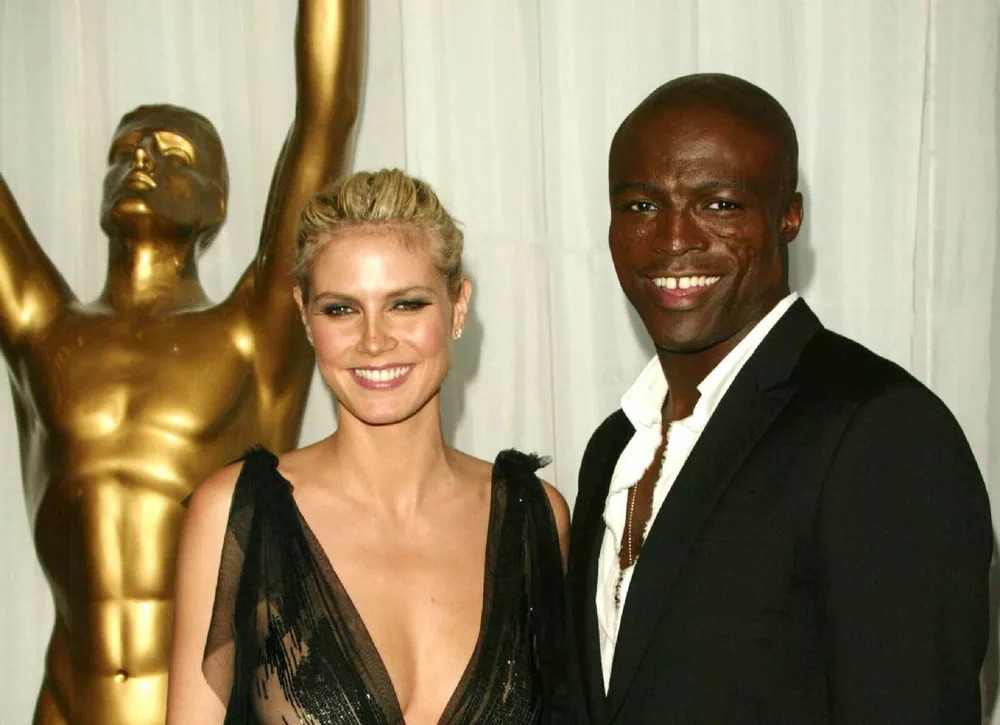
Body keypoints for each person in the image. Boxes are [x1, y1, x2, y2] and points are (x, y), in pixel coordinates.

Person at [566, 72, 992, 723]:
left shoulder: (881, 431)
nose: (674, 239)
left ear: (788, 216)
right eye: (641, 206)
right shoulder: (613, 447)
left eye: (719, 204)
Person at [0, 2, 362, 722]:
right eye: (126, 150)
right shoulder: (46, 334)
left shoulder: (250, 337)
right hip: (68, 701)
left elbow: (326, 116)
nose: (140, 161)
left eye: (173, 154)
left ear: (216, 202)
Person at [168, 168, 572, 724]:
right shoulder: (238, 514)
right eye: (341, 309)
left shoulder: (533, 516)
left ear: (458, 306)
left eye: (406, 304)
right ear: (305, 316)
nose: (374, 340)